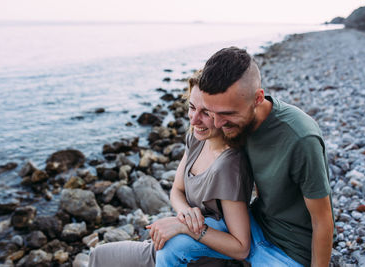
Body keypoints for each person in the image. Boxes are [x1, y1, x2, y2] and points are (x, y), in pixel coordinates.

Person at [88, 71, 253, 267]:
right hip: (171, 240)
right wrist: (186, 214)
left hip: (192, 255)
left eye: (206, 112)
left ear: (224, 113)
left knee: (101, 259)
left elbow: (241, 247)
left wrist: (187, 228)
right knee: (98, 256)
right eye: (192, 107)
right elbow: (177, 190)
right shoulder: (196, 138)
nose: (193, 120)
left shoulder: (228, 166)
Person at [198, 47, 335, 267]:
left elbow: (323, 220)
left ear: (258, 98)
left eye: (227, 114)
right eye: (211, 112)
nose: (217, 123)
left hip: (291, 249)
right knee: (174, 246)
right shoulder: (234, 123)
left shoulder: (300, 138)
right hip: (253, 226)